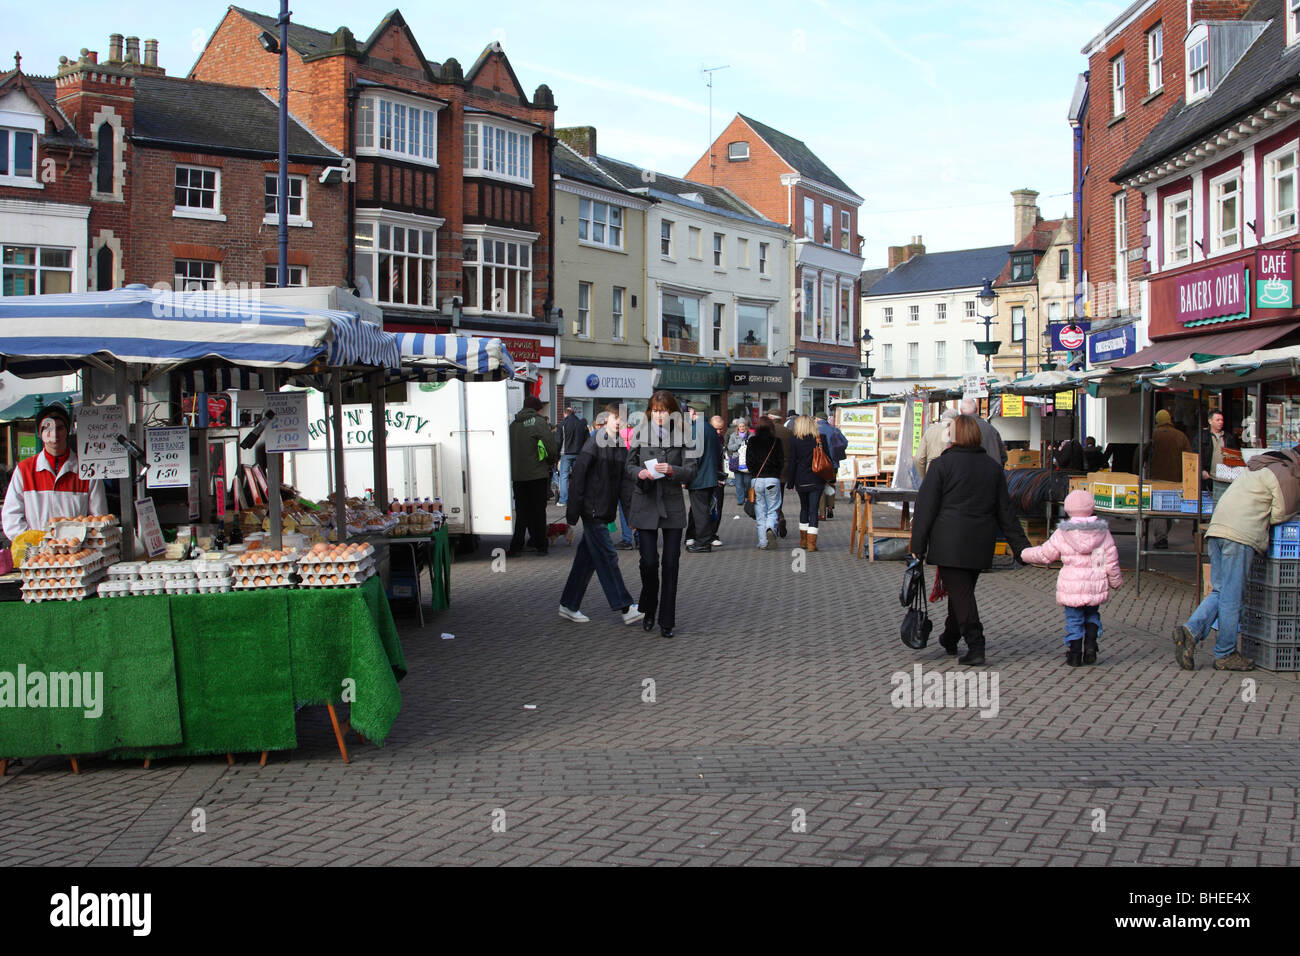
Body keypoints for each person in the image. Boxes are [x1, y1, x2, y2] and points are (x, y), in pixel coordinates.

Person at [909, 415, 1031, 666]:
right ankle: (950, 636)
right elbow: (1005, 512)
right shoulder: (992, 467)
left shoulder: (942, 466)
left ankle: (976, 644)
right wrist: (1021, 547)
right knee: (961, 592)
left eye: (950, 429)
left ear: (956, 436)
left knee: (962, 594)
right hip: (980, 542)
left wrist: (917, 547)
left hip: (950, 542)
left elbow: (925, 508)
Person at [1174, 446, 1300, 672]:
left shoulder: (1262, 466)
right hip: (1240, 536)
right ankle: (1226, 653)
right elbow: (1281, 514)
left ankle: (1190, 631)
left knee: (1220, 590)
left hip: (1217, 529)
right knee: (1232, 597)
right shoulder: (1287, 475)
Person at [558, 405, 645, 626]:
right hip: (593, 510)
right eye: (615, 418)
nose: (618, 422)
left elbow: (626, 486)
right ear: (606, 419)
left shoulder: (620, 447)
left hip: (604, 511)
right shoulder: (594, 442)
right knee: (607, 556)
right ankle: (625, 607)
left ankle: (568, 604)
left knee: (586, 561)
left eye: (622, 419)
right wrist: (572, 514)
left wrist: (631, 516)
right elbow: (577, 477)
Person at [1020, 489, 1122, 667]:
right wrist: (1115, 581)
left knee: (1074, 619)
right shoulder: (1103, 532)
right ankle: (1090, 645)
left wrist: (1024, 554)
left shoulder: (1063, 533)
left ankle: (1074, 653)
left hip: (1072, 585)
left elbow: (1046, 554)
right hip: (1094, 583)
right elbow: (1111, 560)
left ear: (1068, 509)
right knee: (1092, 614)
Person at [626, 391, 697, 639]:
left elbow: (692, 470)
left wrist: (673, 470)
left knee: (670, 563)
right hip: (645, 501)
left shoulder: (685, 435)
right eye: (655, 410)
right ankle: (648, 606)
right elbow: (628, 465)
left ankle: (667, 620)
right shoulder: (639, 432)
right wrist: (639, 474)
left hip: (672, 504)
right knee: (648, 562)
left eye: (663, 410)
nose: (659, 415)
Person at [3, 402, 108, 540]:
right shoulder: (24, 470)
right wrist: (37, 541)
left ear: (67, 431)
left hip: (77, 553)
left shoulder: (87, 470)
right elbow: (11, 518)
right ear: (40, 434)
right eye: (47, 428)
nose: (54, 434)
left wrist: (78, 542)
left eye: (59, 428)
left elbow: (98, 518)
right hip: (37, 555)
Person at [507, 395, 558, 556]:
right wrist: (552, 460)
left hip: (518, 475)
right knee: (538, 511)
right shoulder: (539, 422)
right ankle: (540, 545)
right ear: (537, 409)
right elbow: (550, 446)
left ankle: (516, 546)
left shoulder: (513, 424)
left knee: (522, 512)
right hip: (537, 473)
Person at [1145, 408, 1191, 549]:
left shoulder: (1153, 435)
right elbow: (1189, 458)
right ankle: (1163, 535)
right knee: (1170, 507)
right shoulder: (1181, 436)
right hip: (1176, 478)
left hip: (1156, 478)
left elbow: (1140, 455)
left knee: (1159, 509)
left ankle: (1161, 538)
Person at [685, 406, 724, 553]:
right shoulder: (710, 429)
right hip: (710, 476)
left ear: (693, 412)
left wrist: (685, 477)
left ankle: (702, 542)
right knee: (704, 511)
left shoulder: (696, 429)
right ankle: (705, 540)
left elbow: (694, 456)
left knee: (700, 512)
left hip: (699, 478)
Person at [787, 415, 828, 552]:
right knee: (814, 510)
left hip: (800, 479)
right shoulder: (820, 439)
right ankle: (812, 543)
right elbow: (827, 459)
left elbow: (792, 461)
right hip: (817, 479)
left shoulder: (794, 440)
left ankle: (803, 540)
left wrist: (790, 482)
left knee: (804, 508)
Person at [747, 417, 785, 549]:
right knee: (773, 509)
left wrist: (754, 473)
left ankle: (762, 542)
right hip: (772, 479)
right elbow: (781, 461)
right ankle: (771, 528)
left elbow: (749, 461)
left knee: (760, 511)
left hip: (757, 479)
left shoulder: (752, 441)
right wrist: (777, 473)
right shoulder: (776, 441)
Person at [815, 414, 848, 519]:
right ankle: (830, 507)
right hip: (834, 464)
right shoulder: (835, 430)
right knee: (831, 485)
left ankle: (822, 513)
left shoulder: (815, 430)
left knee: (821, 486)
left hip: (821, 463)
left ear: (817, 419)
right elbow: (845, 443)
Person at [958, 398, 1007, 467]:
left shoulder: (958, 429)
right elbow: (1003, 456)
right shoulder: (991, 429)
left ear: (960, 411)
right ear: (976, 409)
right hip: (992, 471)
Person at [767, 411, 794, 537]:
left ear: (771, 418)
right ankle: (779, 518)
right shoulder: (788, 432)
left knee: (769, 499)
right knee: (779, 497)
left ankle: (776, 521)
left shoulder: (767, 431)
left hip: (769, 470)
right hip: (784, 469)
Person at [555, 405, 588, 506]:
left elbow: (558, 441)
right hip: (579, 453)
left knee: (563, 477)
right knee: (577, 477)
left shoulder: (562, 425)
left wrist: (556, 455)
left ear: (565, 414)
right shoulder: (582, 424)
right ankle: (578, 499)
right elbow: (587, 440)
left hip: (566, 453)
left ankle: (563, 500)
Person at [915, 408, 959, 479]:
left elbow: (918, 458)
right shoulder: (958, 431)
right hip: (952, 472)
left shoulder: (930, 431)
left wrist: (924, 478)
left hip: (931, 471)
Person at [1198, 410, 1240, 482]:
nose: (1221, 422)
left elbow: (1236, 457)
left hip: (1224, 477)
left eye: (1222, 420)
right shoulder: (1202, 437)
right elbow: (1195, 455)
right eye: (1218, 420)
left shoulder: (1228, 437)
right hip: (1208, 477)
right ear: (1210, 421)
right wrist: (1201, 470)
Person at [727, 419, 753, 507]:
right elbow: (729, 447)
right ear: (737, 427)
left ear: (746, 426)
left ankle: (748, 497)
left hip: (747, 461)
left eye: (743, 426)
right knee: (738, 483)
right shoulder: (733, 436)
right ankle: (740, 500)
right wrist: (738, 445)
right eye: (740, 426)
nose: (742, 428)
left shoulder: (751, 435)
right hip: (737, 461)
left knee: (747, 482)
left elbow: (754, 446)